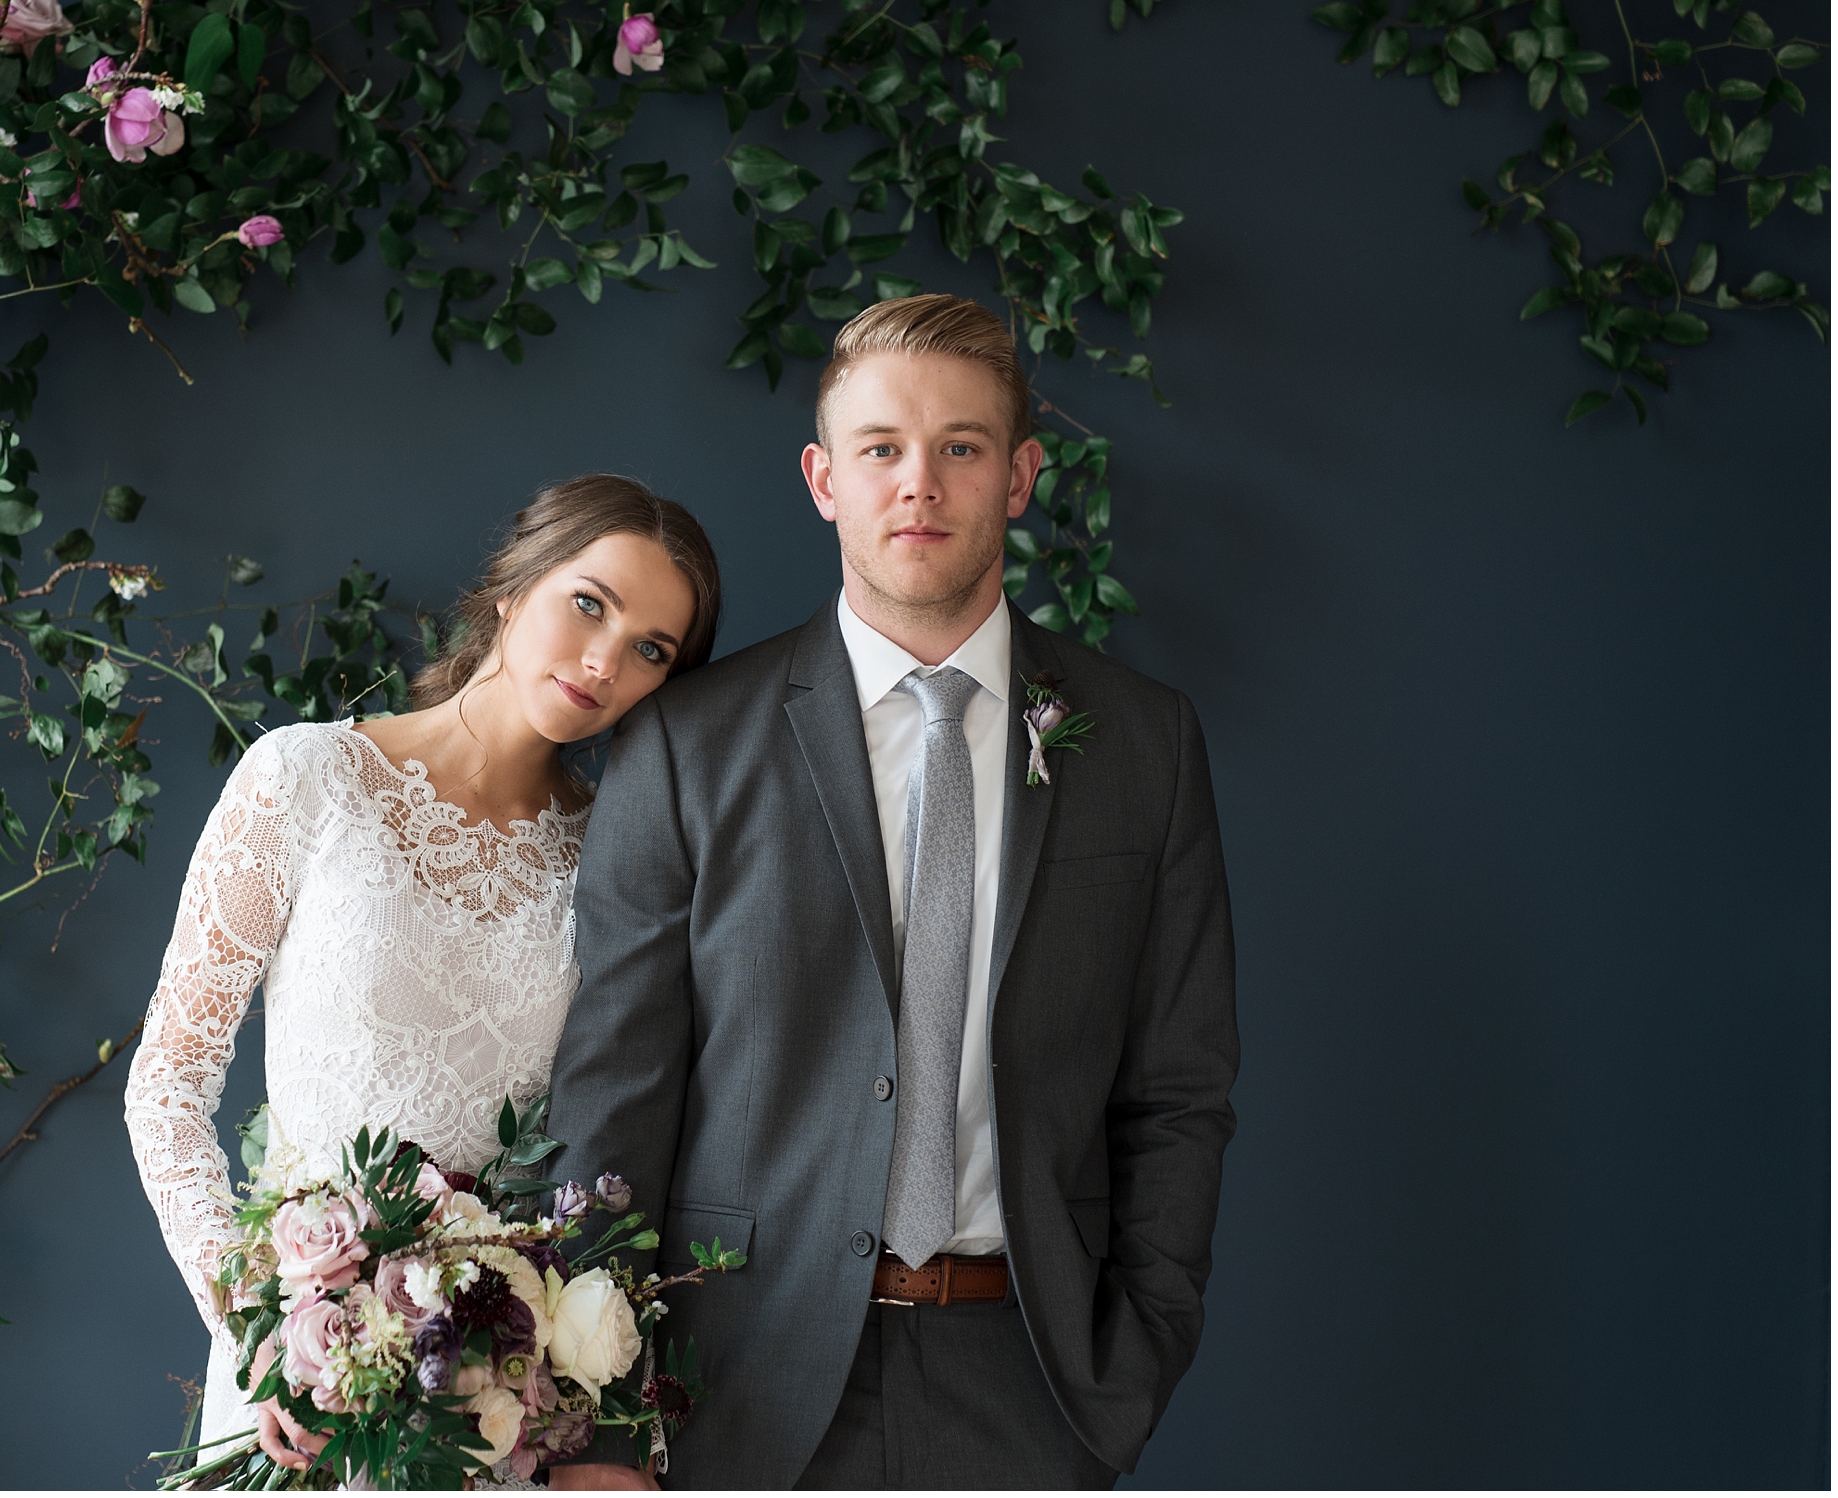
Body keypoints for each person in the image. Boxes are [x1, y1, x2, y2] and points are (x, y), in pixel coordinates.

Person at [543, 295, 1238, 1491]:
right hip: (738, 1385)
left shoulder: (1143, 742)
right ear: (823, 479)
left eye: (961, 448)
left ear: (1019, 476)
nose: (919, 484)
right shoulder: (687, 745)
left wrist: (1133, 1363)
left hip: (1033, 1383)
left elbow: (1178, 1090)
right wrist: (595, 1419)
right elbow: (613, 1090)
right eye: (881, 450)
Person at [124, 473, 723, 1471]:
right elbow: (168, 1082)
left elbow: (629, 1128)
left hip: (496, 1403)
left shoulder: (619, 860)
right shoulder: (306, 778)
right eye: (589, 604)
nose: (603, 661)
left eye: (650, 649)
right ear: (511, 588)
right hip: (303, 1382)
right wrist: (254, 1324)